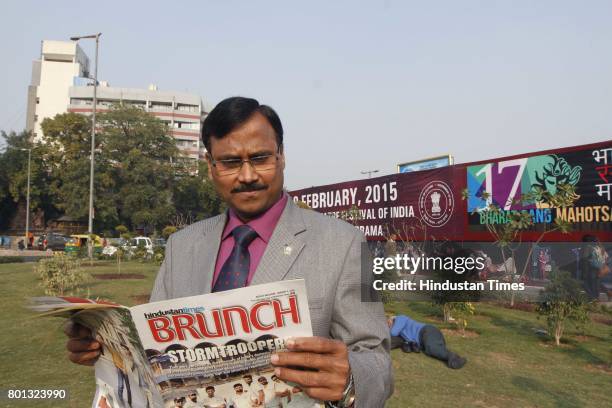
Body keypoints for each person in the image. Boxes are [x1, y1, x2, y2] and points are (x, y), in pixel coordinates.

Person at [65, 96, 392, 407]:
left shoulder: (347, 241)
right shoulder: (182, 246)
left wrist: (351, 379)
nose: (247, 176)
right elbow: (154, 354)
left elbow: (376, 356)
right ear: (211, 166)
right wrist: (105, 348)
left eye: (260, 158)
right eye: (231, 162)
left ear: (281, 156)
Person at [388, 315, 466, 369]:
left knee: (432, 348)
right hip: (423, 338)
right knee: (430, 350)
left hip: (426, 331)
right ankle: (447, 354)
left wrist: (389, 329)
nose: (388, 325)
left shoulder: (400, 318)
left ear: (392, 319)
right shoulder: (401, 331)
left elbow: (393, 333)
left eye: (388, 323)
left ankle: (454, 359)